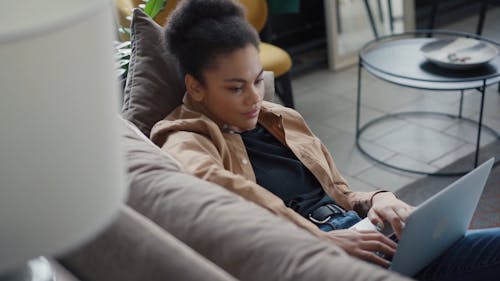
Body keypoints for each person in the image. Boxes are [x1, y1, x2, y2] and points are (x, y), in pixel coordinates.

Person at [150, 0, 500, 280]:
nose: (254, 97)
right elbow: (215, 189)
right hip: (314, 261)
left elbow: (341, 193)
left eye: (257, 80)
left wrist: (378, 199)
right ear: (195, 86)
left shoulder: (282, 119)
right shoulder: (184, 136)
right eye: (235, 88)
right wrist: (319, 240)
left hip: (363, 235)